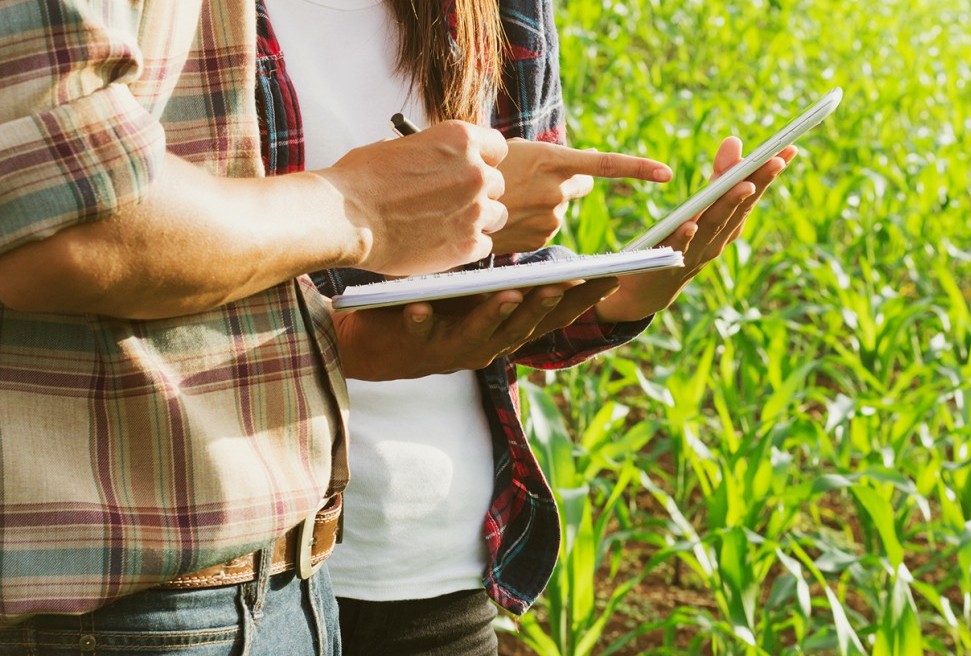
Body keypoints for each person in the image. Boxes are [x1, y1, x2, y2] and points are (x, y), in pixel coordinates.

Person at [0, 0, 614, 652]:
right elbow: (68, 223)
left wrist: (615, 296)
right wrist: (359, 208)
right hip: (159, 572)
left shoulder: (501, 13)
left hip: (343, 557)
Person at [252, 1, 796, 654]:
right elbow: (157, 266)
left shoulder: (507, 11)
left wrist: (625, 295)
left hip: (436, 558)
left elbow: (494, 302)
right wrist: (390, 234)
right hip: (239, 566)